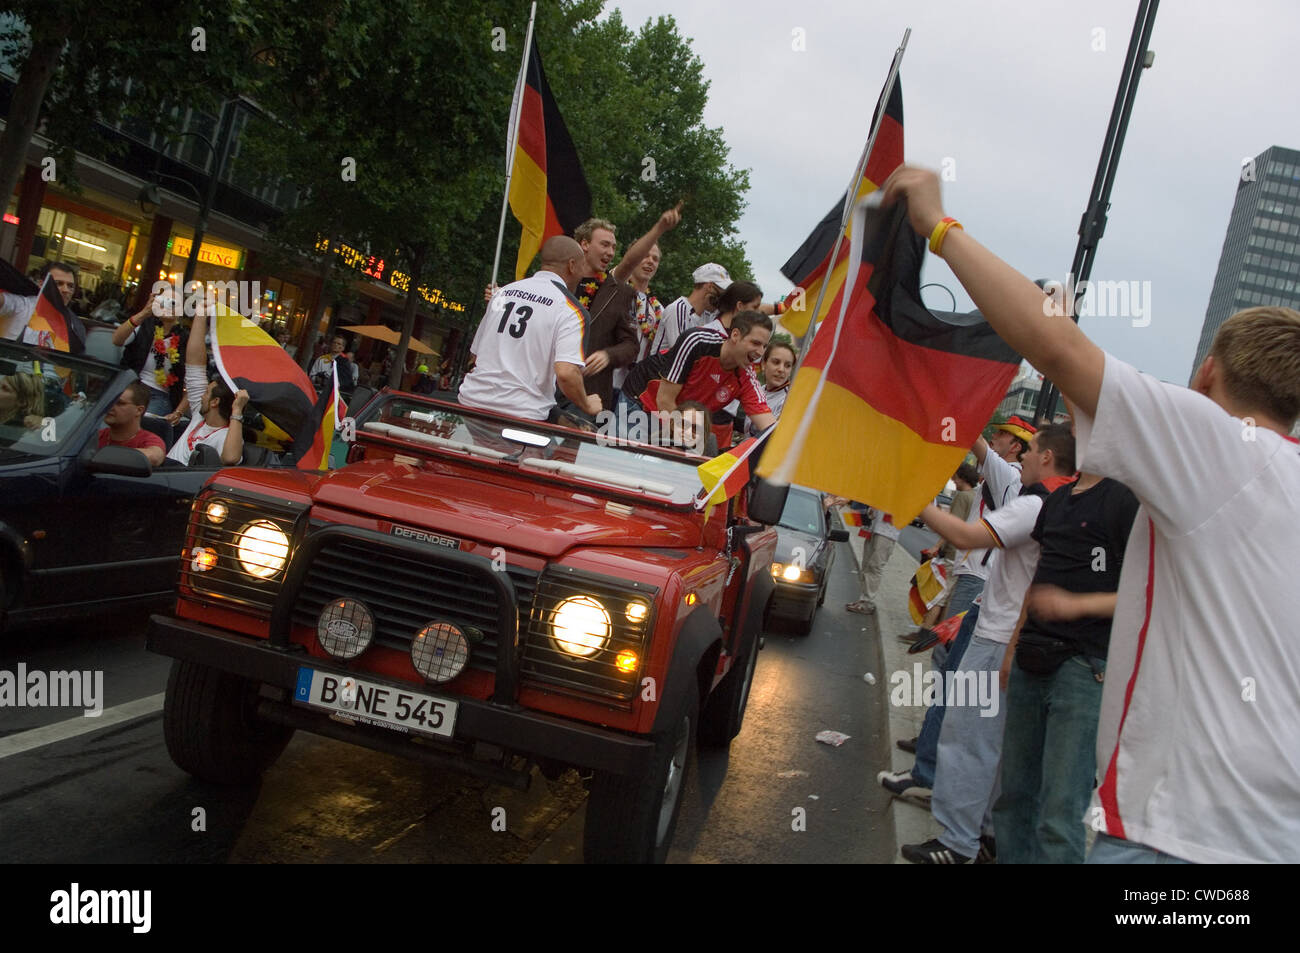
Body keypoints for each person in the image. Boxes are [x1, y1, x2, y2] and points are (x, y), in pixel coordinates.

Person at [885, 163, 1300, 865]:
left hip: (1176, 834)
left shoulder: (1226, 449)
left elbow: (1060, 354)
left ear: (1206, 377)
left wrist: (937, 226)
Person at [898, 424, 1077, 863]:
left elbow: (964, 536)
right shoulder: (1066, 504)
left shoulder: (1034, 504)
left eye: (1031, 450)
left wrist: (909, 500)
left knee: (968, 739)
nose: (1025, 458)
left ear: (1048, 458)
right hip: (1014, 638)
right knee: (998, 750)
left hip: (998, 639)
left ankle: (956, 842)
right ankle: (986, 837)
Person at [993, 461, 1139, 864]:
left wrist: (1076, 605)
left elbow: (1143, 593)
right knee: (1014, 796)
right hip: (1031, 660)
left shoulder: (1126, 499)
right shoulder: (1056, 499)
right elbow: (1039, 576)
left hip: (1084, 669)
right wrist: (1012, 649)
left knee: (1059, 813)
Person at [458, 236, 600, 422]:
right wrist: (587, 403)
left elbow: (476, 356)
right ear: (572, 265)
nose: (582, 274)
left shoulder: (502, 293)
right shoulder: (572, 310)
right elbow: (566, 373)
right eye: (582, 266)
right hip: (521, 415)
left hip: (470, 403)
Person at [570, 207, 682, 413]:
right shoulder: (566, 281)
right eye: (604, 244)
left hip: (616, 389)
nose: (610, 252)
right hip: (559, 380)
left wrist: (607, 355)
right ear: (584, 245)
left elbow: (632, 346)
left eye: (655, 259)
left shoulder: (617, 290)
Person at [621, 310, 777, 446]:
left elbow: (770, 428)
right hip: (642, 400)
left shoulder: (747, 377)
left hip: (678, 418)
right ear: (735, 335)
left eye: (764, 346)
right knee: (628, 463)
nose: (760, 352)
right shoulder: (697, 340)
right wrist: (687, 437)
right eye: (755, 343)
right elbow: (664, 399)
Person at [166, 301, 248, 466]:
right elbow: (194, 362)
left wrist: (237, 410)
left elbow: (230, 458)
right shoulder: (199, 416)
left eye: (206, 393)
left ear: (215, 402)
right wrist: (201, 315)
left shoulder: (227, 435)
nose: (200, 396)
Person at [112, 289, 189, 420]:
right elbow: (117, 340)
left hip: (160, 395)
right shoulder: (144, 326)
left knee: (144, 420)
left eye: (174, 303)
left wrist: (178, 413)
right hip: (132, 386)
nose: (169, 306)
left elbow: (193, 384)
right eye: (164, 302)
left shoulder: (186, 339)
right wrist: (144, 312)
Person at [650, 262, 730, 355]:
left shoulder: (709, 315)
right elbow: (682, 353)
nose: (722, 299)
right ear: (710, 287)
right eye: (721, 293)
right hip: (661, 368)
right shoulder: (677, 309)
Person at [0, 260, 79, 347]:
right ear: (41, 284)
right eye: (58, 283)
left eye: (70, 286)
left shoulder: (69, 322)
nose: (66, 290)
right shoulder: (24, 305)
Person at [846, 508, 901, 615]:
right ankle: (862, 599)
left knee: (874, 566)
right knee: (866, 565)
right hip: (874, 527)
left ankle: (867, 602)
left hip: (888, 533)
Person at [98, 381, 166, 467]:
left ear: (139, 410)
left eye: (120, 403)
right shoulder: (95, 437)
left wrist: (101, 455)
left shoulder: (149, 440)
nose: (111, 407)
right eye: (110, 402)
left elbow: (154, 457)